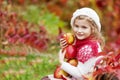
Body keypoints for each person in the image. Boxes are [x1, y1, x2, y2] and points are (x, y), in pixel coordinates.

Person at [41, 7, 105, 80]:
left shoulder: (88, 48)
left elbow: (81, 75)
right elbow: (73, 59)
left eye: (84, 27)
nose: (79, 30)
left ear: (93, 29)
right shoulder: (81, 42)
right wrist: (65, 49)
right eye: (76, 26)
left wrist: (62, 62)